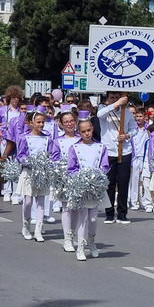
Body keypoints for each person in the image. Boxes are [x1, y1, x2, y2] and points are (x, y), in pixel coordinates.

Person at [66, 112, 111, 261]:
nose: (87, 133)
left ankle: (92, 242)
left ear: (92, 129)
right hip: (81, 187)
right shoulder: (74, 148)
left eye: (89, 130)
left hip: (96, 186)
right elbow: (71, 169)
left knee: (93, 218)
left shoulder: (101, 147)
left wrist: (97, 176)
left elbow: (105, 166)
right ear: (79, 132)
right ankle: (80, 246)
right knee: (83, 217)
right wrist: (81, 179)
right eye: (83, 131)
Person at [97, 91, 138, 224]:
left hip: (124, 150)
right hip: (109, 151)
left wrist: (126, 135)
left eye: (117, 97)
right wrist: (115, 104)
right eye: (112, 98)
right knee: (109, 183)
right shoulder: (104, 109)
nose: (115, 99)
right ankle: (109, 213)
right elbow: (99, 115)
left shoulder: (127, 112)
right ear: (108, 99)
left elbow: (134, 129)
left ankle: (122, 213)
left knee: (123, 182)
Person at [16, 106, 54, 242]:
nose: (41, 125)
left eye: (43, 122)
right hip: (29, 171)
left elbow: (51, 154)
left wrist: (47, 165)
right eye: (38, 122)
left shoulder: (48, 138)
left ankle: (38, 229)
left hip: (42, 172)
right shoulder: (24, 138)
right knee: (27, 201)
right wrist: (30, 162)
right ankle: (26, 225)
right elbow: (20, 155)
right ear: (31, 123)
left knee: (41, 202)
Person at [50, 108, 81, 252]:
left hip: (78, 178)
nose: (69, 124)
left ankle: (73, 234)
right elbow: (54, 159)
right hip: (64, 178)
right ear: (61, 124)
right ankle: (67, 238)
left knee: (76, 209)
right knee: (66, 207)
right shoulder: (58, 141)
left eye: (71, 121)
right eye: (66, 122)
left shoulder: (81, 139)